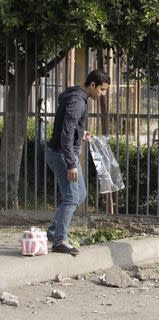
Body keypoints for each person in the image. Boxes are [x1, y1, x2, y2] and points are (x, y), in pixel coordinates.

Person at [46, 70, 110, 255]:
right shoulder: (77, 101)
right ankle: (59, 241)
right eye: (102, 90)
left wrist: (81, 134)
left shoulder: (77, 96)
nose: (102, 94)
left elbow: (67, 127)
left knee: (80, 194)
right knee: (72, 197)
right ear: (92, 85)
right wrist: (71, 164)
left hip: (62, 152)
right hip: (62, 154)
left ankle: (53, 231)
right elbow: (65, 135)